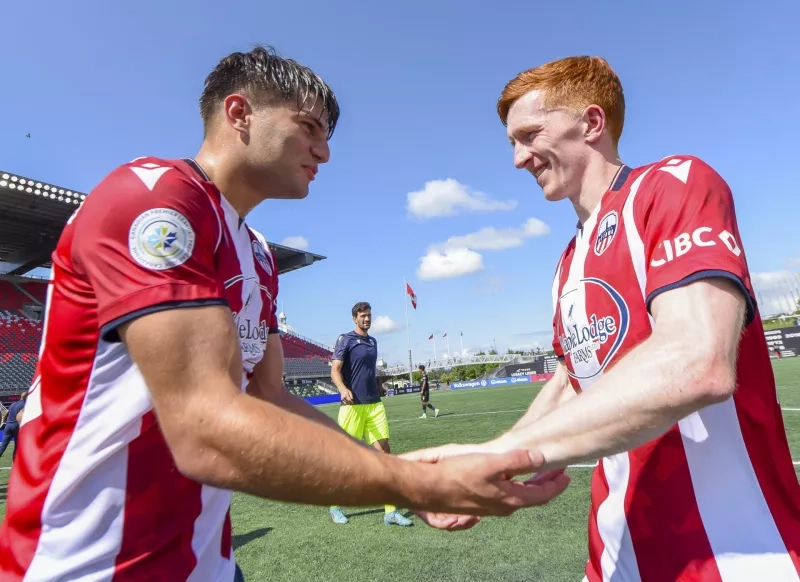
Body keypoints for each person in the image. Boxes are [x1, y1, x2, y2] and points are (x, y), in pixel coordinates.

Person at [0, 47, 571, 581]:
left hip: (204, 561)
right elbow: (204, 428)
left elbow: (270, 394)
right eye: (310, 126)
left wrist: (414, 483)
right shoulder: (153, 199)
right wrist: (418, 484)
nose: (324, 151)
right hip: (87, 562)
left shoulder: (259, 255)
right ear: (239, 112)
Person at [405, 56, 800, 581]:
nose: (518, 158)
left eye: (530, 134)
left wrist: (501, 454)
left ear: (592, 123)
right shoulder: (568, 262)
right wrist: (489, 466)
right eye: (512, 143)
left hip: (735, 556)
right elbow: (575, 381)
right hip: (615, 558)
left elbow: (698, 359)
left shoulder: (673, 185)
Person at [328, 302, 412, 527]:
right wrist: (343, 389)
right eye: (363, 316)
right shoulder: (345, 340)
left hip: (375, 404)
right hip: (352, 406)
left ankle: (390, 511)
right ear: (355, 318)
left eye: (369, 316)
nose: (367, 319)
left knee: (385, 453)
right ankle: (334, 505)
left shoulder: (373, 341)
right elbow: (335, 370)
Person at [0, 391, 26, 463]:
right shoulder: (24, 404)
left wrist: (4, 421)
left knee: (3, 445)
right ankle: (15, 462)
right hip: (16, 425)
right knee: (17, 445)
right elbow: (21, 416)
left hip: (8, 425)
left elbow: (7, 412)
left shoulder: (13, 404)